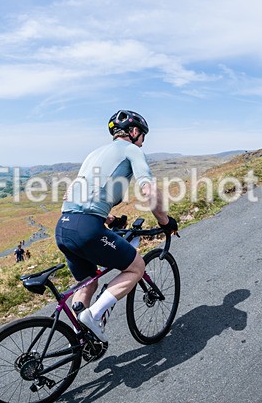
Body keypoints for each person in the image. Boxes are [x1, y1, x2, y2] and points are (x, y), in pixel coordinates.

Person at [55, 110, 177, 342]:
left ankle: (80, 339)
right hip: (87, 229)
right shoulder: (131, 150)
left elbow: (83, 196)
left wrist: (109, 220)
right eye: (142, 136)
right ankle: (94, 315)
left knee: (88, 282)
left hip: (64, 227)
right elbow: (148, 190)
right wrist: (165, 221)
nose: (142, 142)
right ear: (133, 132)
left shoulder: (94, 154)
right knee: (135, 267)